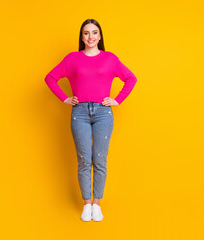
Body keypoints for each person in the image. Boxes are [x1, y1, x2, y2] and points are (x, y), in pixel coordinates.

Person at [44, 19, 137, 221]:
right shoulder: (72, 59)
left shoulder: (110, 59)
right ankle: (87, 204)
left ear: (100, 36)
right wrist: (65, 98)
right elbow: (50, 77)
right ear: (82, 37)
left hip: (104, 113)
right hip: (80, 113)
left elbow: (131, 78)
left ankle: (97, 204)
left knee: (100, 160)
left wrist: (117, 99)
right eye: (86, 33)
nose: (91, 37)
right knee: (84, 160)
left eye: (94, 33)